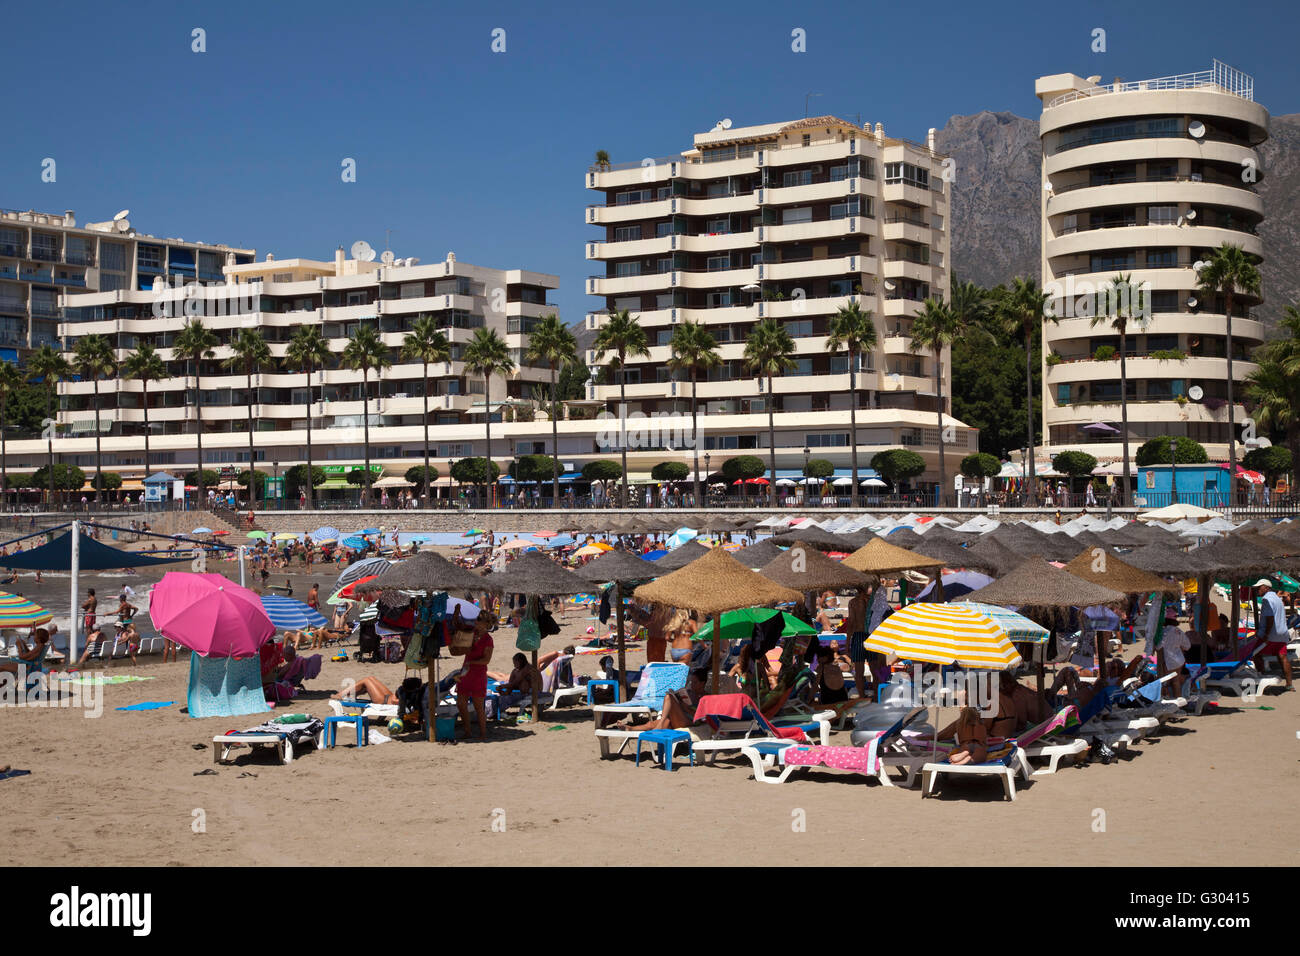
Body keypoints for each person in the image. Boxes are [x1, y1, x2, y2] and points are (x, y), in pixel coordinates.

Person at [610, 668, 709, 732]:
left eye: (695, 682)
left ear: (702, 683)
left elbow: (703, 718)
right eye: (691, 682)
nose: (691, 685)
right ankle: (630, 728)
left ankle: (661, 723)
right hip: (679, 718)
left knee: (669, 697)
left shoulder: (705, 698)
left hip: (689, 722)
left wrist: (686, 708)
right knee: (651, 724)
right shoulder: (689, 693)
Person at [1252, 579, 1294, 688]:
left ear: (1266, 588)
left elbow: (1270, 618)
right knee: (1283, 657)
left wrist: (1266, 634)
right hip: (1281, 633)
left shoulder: (1266, 599)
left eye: (1259, 587)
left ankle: (1262, 678)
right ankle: (1289, 684)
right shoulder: (1277, 598)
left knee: (1255, 654)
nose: (1257, 589)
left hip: (1271, 633)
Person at [455, 620, 494, 738]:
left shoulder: (488, 639)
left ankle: (483, 733)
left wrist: (471, 662)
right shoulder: (472, 633)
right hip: (466, 672)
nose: (476, 624)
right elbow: (458, 625)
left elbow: (486, 660)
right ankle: (468, 731)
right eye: (476, 622)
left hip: (478, 674)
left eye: (478, 622)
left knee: (478, 706)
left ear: (485, 624)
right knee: (461, 703)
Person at [844, 587, 870, 699]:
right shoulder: (871, 601)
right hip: (871, 635)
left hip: (859, 635)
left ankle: (862, 696)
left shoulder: (853, 602)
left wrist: (847, 643)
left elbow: (851, 623)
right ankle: (877, 696)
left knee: (859, 672)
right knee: (875, 668)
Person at [1158, 624, 1191, 696]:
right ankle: (1179, 703)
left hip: (1169, 661)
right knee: (1176, 681)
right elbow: (1187, 646)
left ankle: (1169, 703)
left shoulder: (1164, 632)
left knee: (1165, 683)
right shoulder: (1178, 630)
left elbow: (1158, 646)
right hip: (1179, 660)